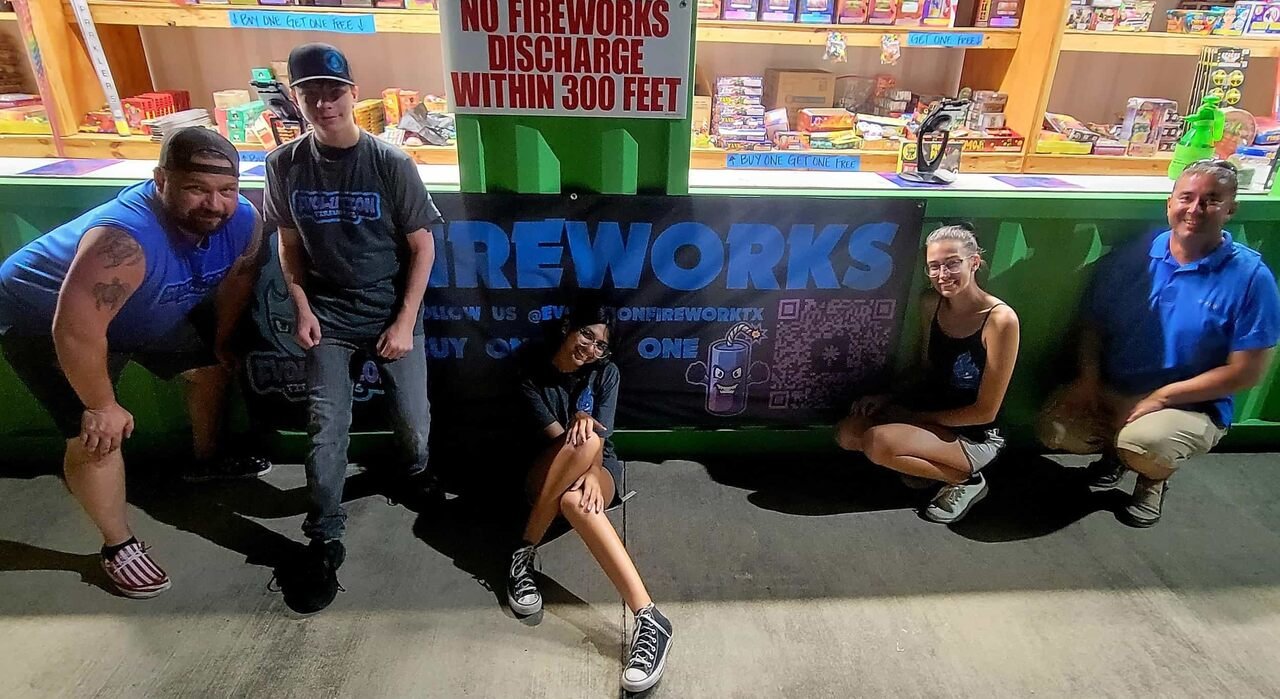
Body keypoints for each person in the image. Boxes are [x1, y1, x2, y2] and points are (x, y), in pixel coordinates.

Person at [0, 127, 270, 598]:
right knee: (96, 434)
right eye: (196, 189)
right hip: (46, 325)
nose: (214, 204)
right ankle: (116, 545)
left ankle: (206, 461)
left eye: (225, 190)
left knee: (210, 368)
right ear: (160, 179)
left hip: (145, 308)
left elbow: (238, 274)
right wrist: (102, 405)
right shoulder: (122, 242)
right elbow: (76, 331)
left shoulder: (244, 219)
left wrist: (224, 338)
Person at [265, 42, 441, 614]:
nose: (323, 102)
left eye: (332, 90)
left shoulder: (391, 163)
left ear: (352, 94)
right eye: (310, 91)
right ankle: (323, 539)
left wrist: (405, 322)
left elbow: (422, 245)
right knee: (324, 428)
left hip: (389, 310)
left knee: (414, 426)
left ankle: (413, 473)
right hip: (327, 316)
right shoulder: (283, 164)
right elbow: (287, 245)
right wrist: (301, 307)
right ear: (297, 98)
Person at [1038, 160, 1280, 527]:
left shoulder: (1251, 277)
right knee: (1055, 429)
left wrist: (1163, 398)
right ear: (1170, 203)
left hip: (1188, 405)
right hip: (1115, 389)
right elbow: (1093, 324)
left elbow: (1246, 372)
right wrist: (1087, 380)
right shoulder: (1135, 255)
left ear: (1231, 209)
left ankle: (1152, 479)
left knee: (1146, 443)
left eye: (1210, 200)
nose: (1195, 209)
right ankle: (1116, 454)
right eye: (1187, 197)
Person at [506, 304, 673, 694]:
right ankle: (652, 621)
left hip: (598, 468)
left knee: (580, 491)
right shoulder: (530, 373)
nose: (592, 349)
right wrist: (585, 435)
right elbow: (562, 447)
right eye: (586, 336)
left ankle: (648, 618)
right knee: (579, 455)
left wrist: (595, 464)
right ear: (567, 328)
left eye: (601, 345)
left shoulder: (606, 374)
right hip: (546, 475)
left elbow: (599, 442)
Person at [835, 224, 1020, 525]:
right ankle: (924, 466)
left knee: (878, 442)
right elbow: (926, 368)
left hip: (975, 434)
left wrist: (915, 419)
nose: (943, 275)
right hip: (929, 414)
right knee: (848, 433)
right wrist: (887, 397)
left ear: (974, 263)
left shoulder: (1000, 320)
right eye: (934, 267)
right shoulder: (930, 304)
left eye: (952, 264)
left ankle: (967, 480)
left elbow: (986, 411)